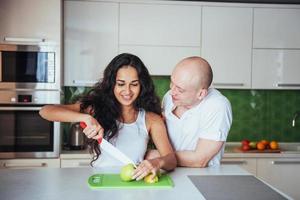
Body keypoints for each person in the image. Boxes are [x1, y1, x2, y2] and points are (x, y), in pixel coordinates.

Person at [39, 53, 176, 180]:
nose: (127, 91)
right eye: (121, 84)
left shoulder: (151, 120)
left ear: (142, 86)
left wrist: (157, 162)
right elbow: (45, 111)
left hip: (134, 185)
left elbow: (171, 160)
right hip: (100, 181)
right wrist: (86, 118)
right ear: (112, 85)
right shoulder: (94, 110)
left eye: (134, 84)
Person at [147, 56, 232, 167]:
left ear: (201, 94)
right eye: (172, 83)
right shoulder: (169, 97)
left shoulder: (217, 105)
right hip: (168, 170)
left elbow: (200, 160)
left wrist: (158, 156)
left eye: (180, 89)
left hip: (201, 176)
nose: (172, 91)